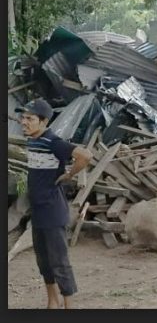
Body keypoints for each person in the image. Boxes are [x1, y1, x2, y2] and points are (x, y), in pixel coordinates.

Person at [16, 99, 93, 309]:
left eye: (29, 118)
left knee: (59, 261)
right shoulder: (33, 141)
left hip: (53, 210)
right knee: (43, 261)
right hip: (39, 210)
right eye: (23, 117)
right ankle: (52, 300)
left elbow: (85, 155)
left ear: (44, 121)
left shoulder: (53, 142)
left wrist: (69, 174)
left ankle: (69, 306)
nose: (24, 122)